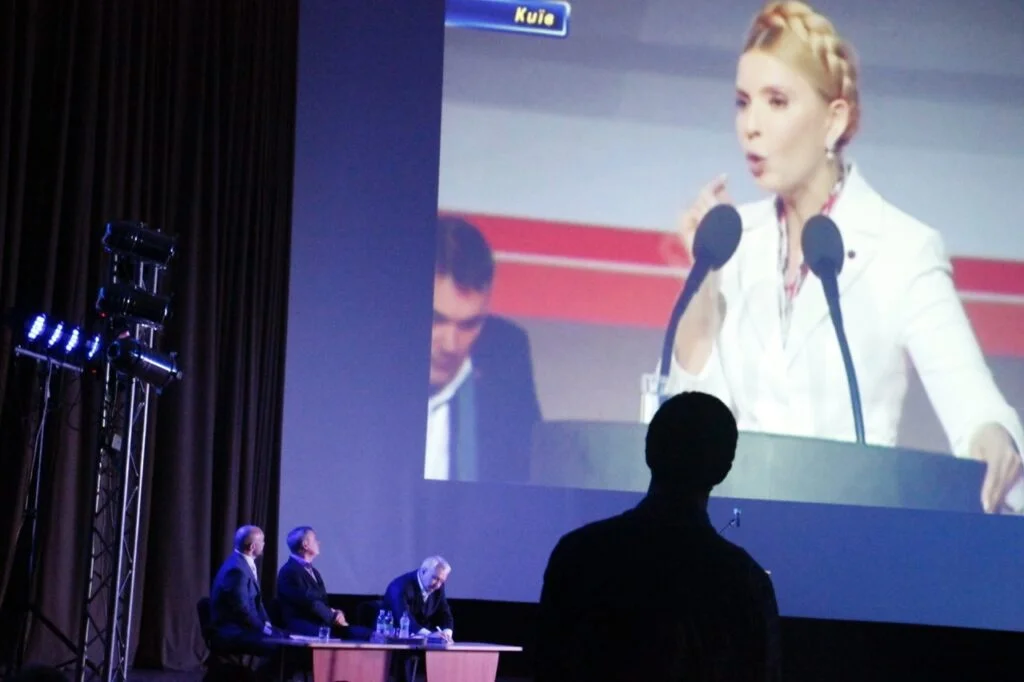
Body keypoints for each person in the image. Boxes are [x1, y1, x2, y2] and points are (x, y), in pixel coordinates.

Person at [664, 0, 1024, 513]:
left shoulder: (902, 248)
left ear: (834, 120)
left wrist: (992, 437)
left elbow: (976, 407)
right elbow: (688, 430)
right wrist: (704, 283)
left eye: (776, 101)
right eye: (743, 102)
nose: (750, 125)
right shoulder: (733, 239)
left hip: (852, 530)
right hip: (734, 530)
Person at [535, 392, 782, 681]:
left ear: (648, 451)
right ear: (724, 469)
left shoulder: (577, 555)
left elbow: (547, 666)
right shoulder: (746, 585)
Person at [425, 215, 542, 484]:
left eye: (469, 324)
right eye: (436, 319)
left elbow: (527, 475)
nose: (451, 344)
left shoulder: (506, 352)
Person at [276, 526, 368, 639]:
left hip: (321, 623)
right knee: (358, 635)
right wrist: (333, 617)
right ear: (305, 545)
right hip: (304, 627)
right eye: (315, 539)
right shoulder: (289, 572)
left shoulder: (314, 571)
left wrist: (337, 613)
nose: (318, 542)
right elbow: (310, 602)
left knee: (366, 634)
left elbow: (321, 601)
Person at [208, 525, 281, 656]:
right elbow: (241, 610)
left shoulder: (243, 564)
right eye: (262, 541)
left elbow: (257, 602)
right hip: (233, 632)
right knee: (281, 647)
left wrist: (269, 626)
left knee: (283, 639)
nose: (264, 544)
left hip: (245, 628)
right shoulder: (236, 570)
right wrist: (264, 629)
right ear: (252, 546)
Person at [383, 556, 454, 641]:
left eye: (442, 581)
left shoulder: (438, 586)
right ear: (423, 571)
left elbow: (445, 615)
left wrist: (447, 634)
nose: (438, 585)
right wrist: (430, 635)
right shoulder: (400, 586)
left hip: (424, 643)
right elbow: (404, 619)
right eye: (435, 578)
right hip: (394, 641)